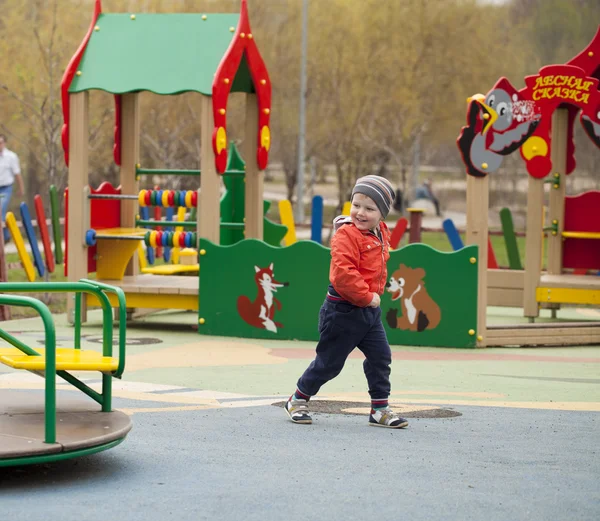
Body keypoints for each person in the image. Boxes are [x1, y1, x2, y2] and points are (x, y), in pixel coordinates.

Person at [285, 175, 408, 429]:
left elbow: (378, 264)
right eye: (356, 205)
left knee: (381, 357)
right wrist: (368, 296)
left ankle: (379, 409)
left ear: (382, 213)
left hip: (368, 313)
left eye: (370, 208)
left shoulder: (381, 232)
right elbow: (343, 274)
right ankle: (298, 399)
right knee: (329, 364)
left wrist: (375, 293)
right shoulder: (346, 236)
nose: (360, 213)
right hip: (342, 311)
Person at [0, 134, 24, 242]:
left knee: (1, 208)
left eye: (1, 142)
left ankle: (4, 237)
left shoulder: (11, 157)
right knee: (2, 213)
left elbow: (17, 173)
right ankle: (5, 235)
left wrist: (21, 188)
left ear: (4, 143)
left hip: (6, 188)